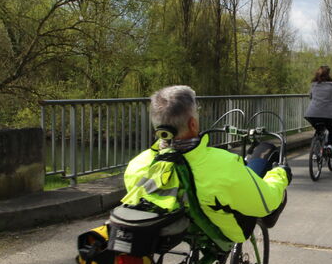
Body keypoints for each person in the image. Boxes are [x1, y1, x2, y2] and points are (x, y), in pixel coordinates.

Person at [122, 85, 290, 244]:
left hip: (175, 230)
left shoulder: (137, 165)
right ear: (193, 124)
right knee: (266, 156)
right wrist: (281, 175)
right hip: (220, 232)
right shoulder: (223, 165)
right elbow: (266, 203)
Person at [304, 65, 332, 155]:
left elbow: (310, 97)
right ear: (328, 75)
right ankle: (330, 146)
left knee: (319, 130)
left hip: (312, 114)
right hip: (329, 115)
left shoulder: (314, 85)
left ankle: (316, 151)